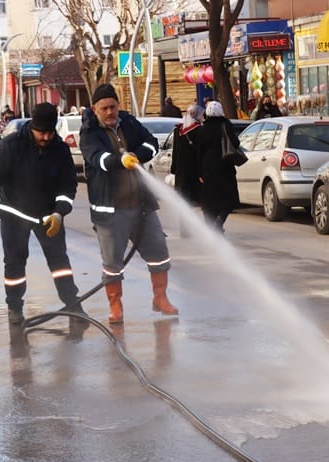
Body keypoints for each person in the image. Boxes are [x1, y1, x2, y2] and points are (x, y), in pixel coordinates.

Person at [79, 82, 178, 324]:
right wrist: (118, 160)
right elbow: (97, 159)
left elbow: (150, 143)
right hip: (111, 211)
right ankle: (116, 306)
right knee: (113, 262)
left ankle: (160, 298)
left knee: (159, 254)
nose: (110, 112)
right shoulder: (89, 133)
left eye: (113, 106)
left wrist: (138, 155)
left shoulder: (129, 123)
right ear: (94, 109)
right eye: (105, 108)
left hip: (142, 205)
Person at [0, 102, 85, 325]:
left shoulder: (60, 149)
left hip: (47, 216)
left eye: (50, 132)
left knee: (60, 263)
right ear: (32, 127)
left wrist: (59, 213)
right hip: (14, 213)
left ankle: (73, 306)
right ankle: (15, 309)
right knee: (15, 264)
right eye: (41, 132)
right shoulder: (11, 145)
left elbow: (68, 186)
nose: (46, 137)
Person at [192, 101, 241, 233]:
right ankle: (219, 222)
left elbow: (199, 152)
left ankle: (211, 226)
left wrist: (199, 173)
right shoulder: (226, 126)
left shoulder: (202, 129)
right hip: (225, 165)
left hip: (208, 167)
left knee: (209, 200)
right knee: (227, 198)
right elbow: (236, 143)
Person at [169, 104, 205, 236]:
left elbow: (175, 151)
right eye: (201, 114)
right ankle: (200, 228)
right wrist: (201, 172)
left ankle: (184, 229)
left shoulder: (179, 130)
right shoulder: (198, 130)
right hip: (193, 170)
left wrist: (174, 168)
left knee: (184, 200)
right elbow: (200, 153)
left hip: (181, 170)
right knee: (196, 200)